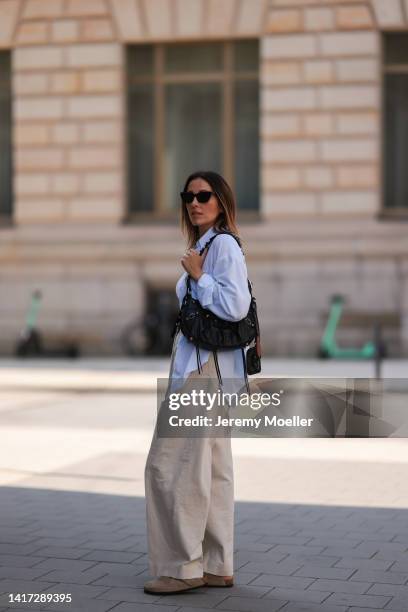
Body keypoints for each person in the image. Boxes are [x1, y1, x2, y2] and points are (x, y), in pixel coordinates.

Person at [144, 170, 252, 595]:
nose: (194, 201)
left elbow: (235, 305)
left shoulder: (221, 245)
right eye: (188, 195)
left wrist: (198, 276)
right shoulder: (207, 245)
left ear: (221, 201)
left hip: (201, 373)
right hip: (212, 373)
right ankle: (216, 564)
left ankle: (181, 568)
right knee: (212, 469)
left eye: (204, 195)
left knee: (169, 467)